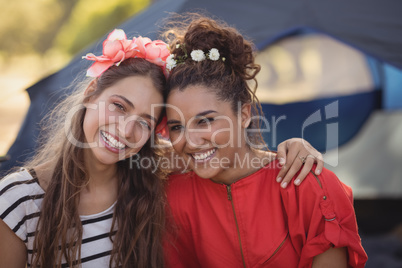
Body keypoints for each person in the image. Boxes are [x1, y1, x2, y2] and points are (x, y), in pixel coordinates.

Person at [0, 29, 322, 267]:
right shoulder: (18, 201)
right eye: (119, 106)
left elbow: (227, 157)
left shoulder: (153, 177)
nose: (126, 131)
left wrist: (292, 146)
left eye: (145, 121)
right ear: (90, 94)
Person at [163, 14, 368, 267]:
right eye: (176, 126)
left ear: (244, 114)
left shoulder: (311, 186)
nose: (191, 141)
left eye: (205, 121)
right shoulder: (171, 197)